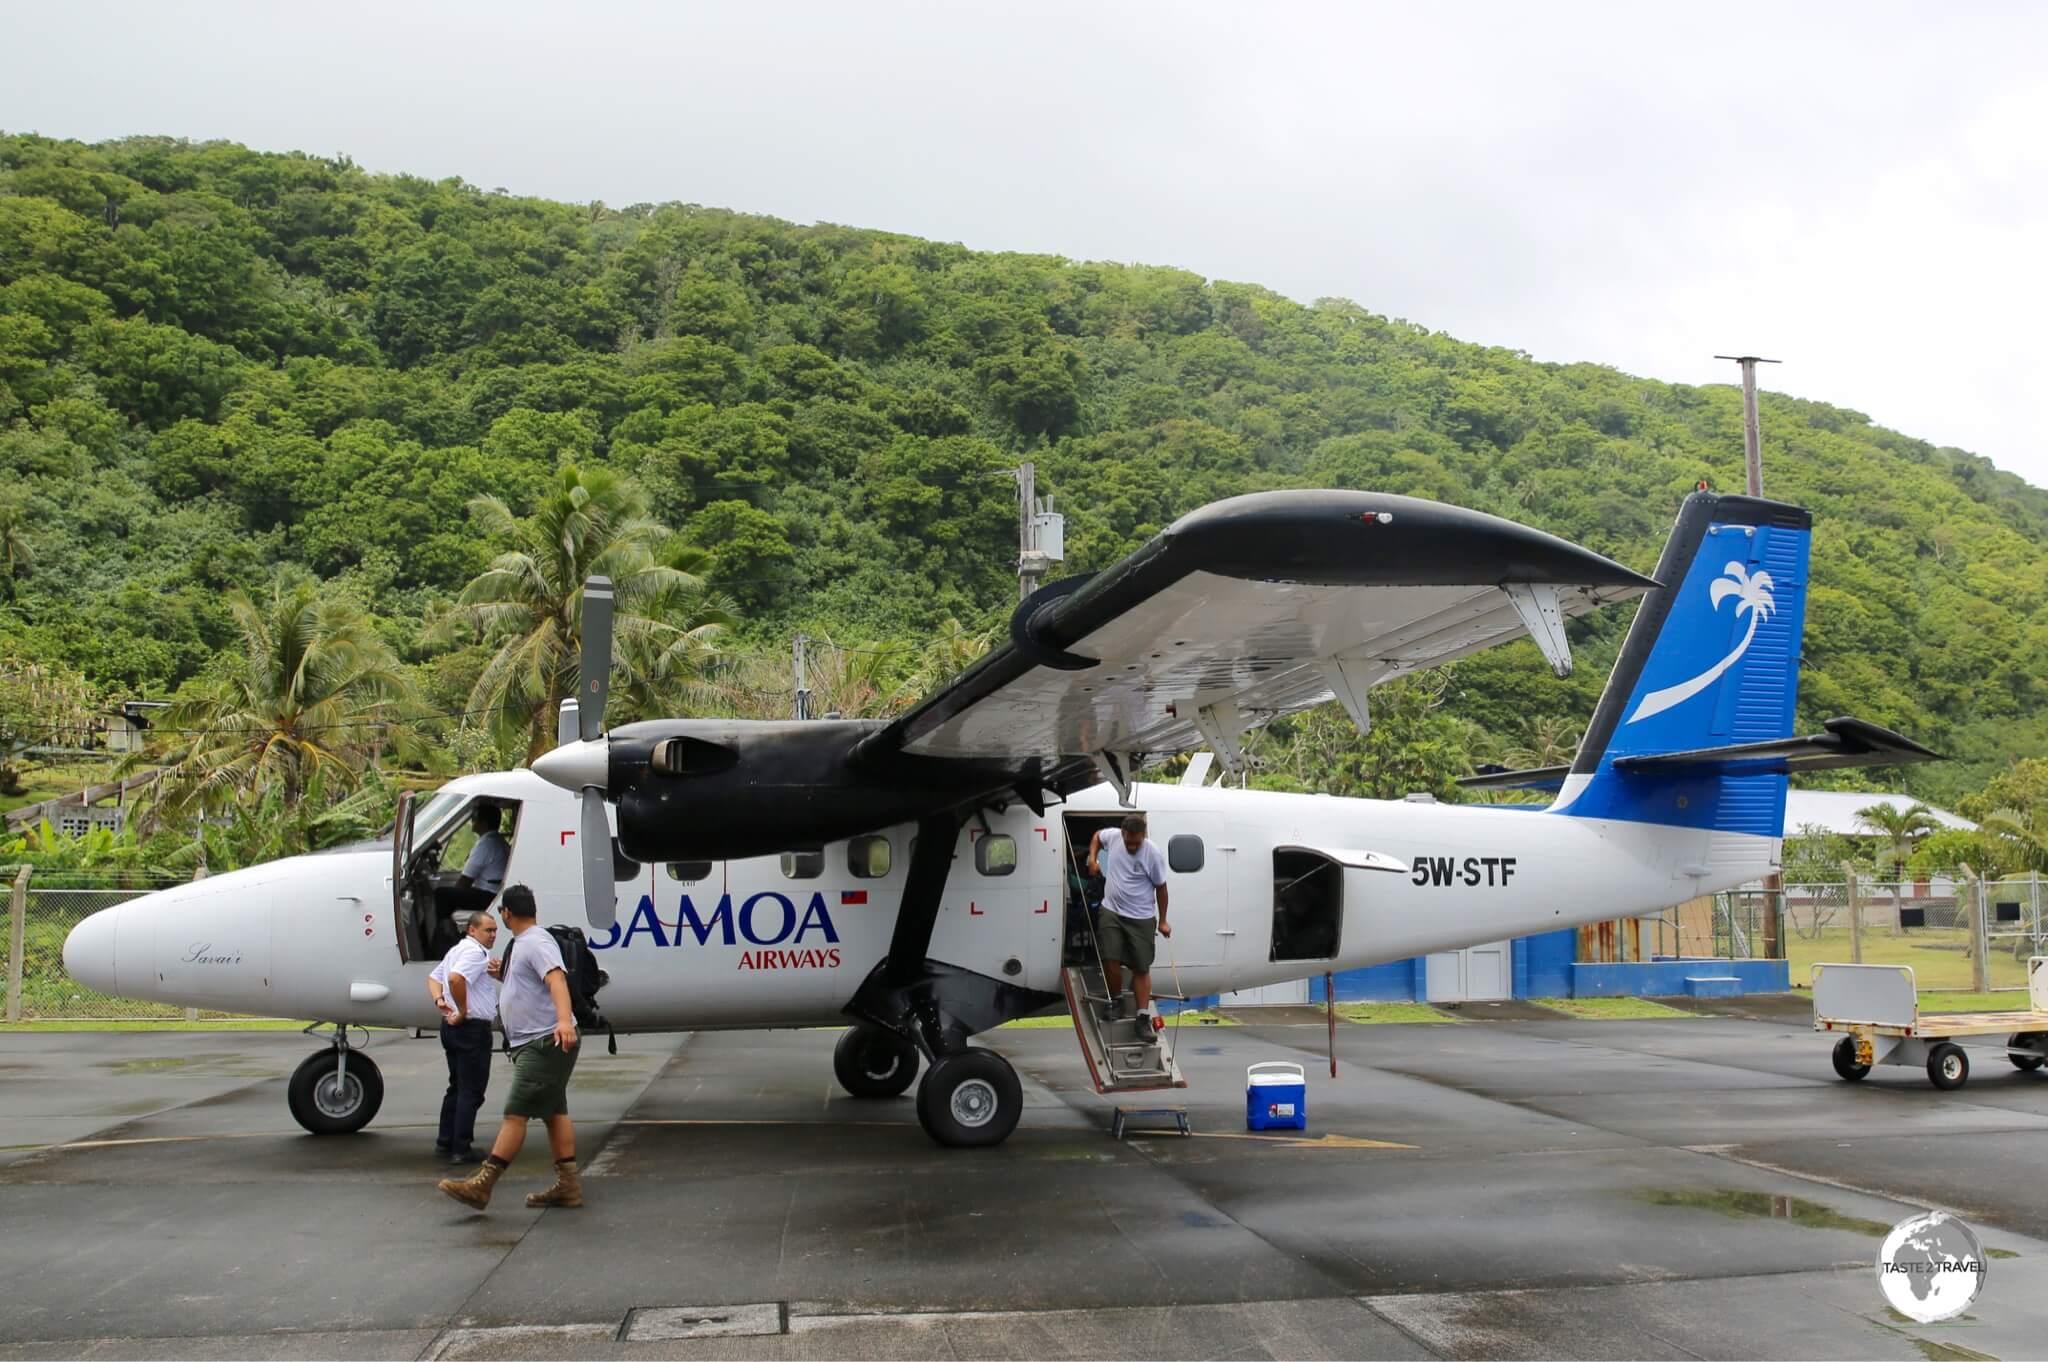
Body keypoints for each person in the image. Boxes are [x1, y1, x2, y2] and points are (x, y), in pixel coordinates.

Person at [438, 885, 582, 1211]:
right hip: (536, 1040)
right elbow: (530, 985)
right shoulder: (522, 944)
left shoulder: (535, 941)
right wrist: (504, 975)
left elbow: (556, 979)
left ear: (506, 913)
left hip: (544, 1040)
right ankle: (568, 1186)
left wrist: (563, 1021)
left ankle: (483, 1184)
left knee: (515, 1113)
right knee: (554, 1113)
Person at [1086, 814, 1171, 1036]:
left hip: (1141, 916)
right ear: (1122, 834)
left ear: (1143, 836)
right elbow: (1096, 836)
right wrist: (1092, 858)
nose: (1132, 846)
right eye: (1129, 842)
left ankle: (1142, 1017)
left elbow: (1161, 888)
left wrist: (1162, 921)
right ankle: (1117, 1001)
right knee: (1110, 959)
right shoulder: (1113, 837)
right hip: (1111, 910)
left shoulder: (1152, 853)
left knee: (1141, 967)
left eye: (1137, 842)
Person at [425, 909, 499, 1163]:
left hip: (452, 1027)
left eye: (495, 930)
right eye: (488, 930)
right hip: (471, 1028)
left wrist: (441, 1001)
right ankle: (461, 1147)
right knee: (472, 1091)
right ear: (472, 930)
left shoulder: (456, 950)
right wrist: (464, 1009)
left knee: (456, 1087)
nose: (493, 935)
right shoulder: (474, 952)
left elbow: (434, 978)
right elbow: (456, 979)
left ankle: (445, 1141)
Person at [432, 804, 510, 952]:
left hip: (489, 895)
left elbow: (465, 881)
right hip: (491, 891)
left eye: (474, 819)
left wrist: (454, 896)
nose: (472, 822)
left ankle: (445, 938)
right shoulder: (496, 841)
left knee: (442, 895)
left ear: (484, 823)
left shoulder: (486, 844)